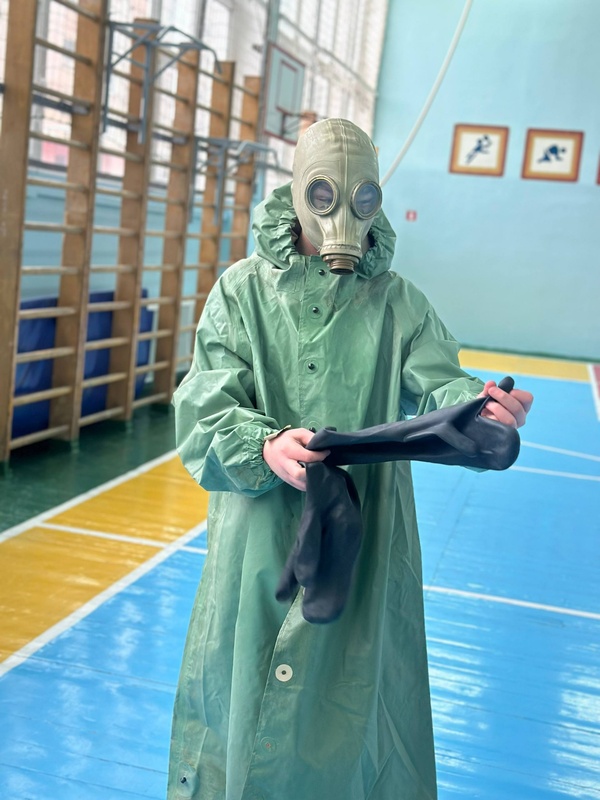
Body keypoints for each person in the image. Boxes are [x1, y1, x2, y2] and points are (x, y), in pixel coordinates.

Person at [168, 118, 533, 800]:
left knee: (353, 710)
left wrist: (480, 409)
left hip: (362, 545)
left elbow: (442, 384)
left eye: (361, 197)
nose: (343, 215)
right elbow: (203, 408)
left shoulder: (399, 305)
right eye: (324, 194)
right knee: (242, 702)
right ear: (297, 192)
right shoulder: (241, 293)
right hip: (258, 543)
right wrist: (262, 444)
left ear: (376, 197)